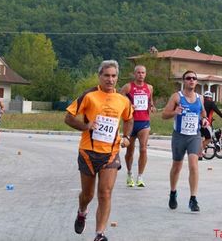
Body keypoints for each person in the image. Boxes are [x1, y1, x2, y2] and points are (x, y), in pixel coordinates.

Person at [64, 60, 133, 241]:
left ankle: (99, 234)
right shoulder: (89, 95)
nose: (110, 80)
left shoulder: (123, 100)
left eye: (113, 76)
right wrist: (86, 126)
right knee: (88, 194)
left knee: (105, 193)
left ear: (117, 78)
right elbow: (69, 117)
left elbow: (129, 118)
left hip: (111, 153)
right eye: (106, 76)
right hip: (88, 152)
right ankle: (82, 211)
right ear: (99, 77)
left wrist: (126, 137)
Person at [162, 70, 207, 212]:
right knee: (177, 167)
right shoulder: (177, 97)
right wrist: (175, 112)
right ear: (184, 81)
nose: (191, 80)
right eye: (188, 78)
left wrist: (204, 119)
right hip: (179, 136)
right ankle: (173, 192)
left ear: (196, 81)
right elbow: (164, 115)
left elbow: (203, 113)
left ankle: (193, 199)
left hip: (194, 136)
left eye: (194, 78)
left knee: (194, 166)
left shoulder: (200, 98)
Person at [120, 65, 155, 187]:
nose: (141, 74)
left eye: (143, 72)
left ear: (145, 74)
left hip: (144, 122)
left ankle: (140, 176)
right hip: (130, 122)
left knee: (143, 149)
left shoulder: (149, 87)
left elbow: (150, 101)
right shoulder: (128, 87)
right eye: (138, 72)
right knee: (130, 151)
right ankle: (129, 174)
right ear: (134, 74)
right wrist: (128, 104)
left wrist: (152, 106)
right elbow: (119, 99)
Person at [199, 91, 222, 160]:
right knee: (209, 138)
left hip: (198, 122)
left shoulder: (201, 102)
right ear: (210, 97)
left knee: (201, 137)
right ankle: (200, 153)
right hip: (206, 123)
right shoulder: (211, 103)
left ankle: (200, 152)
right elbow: (217, 110)